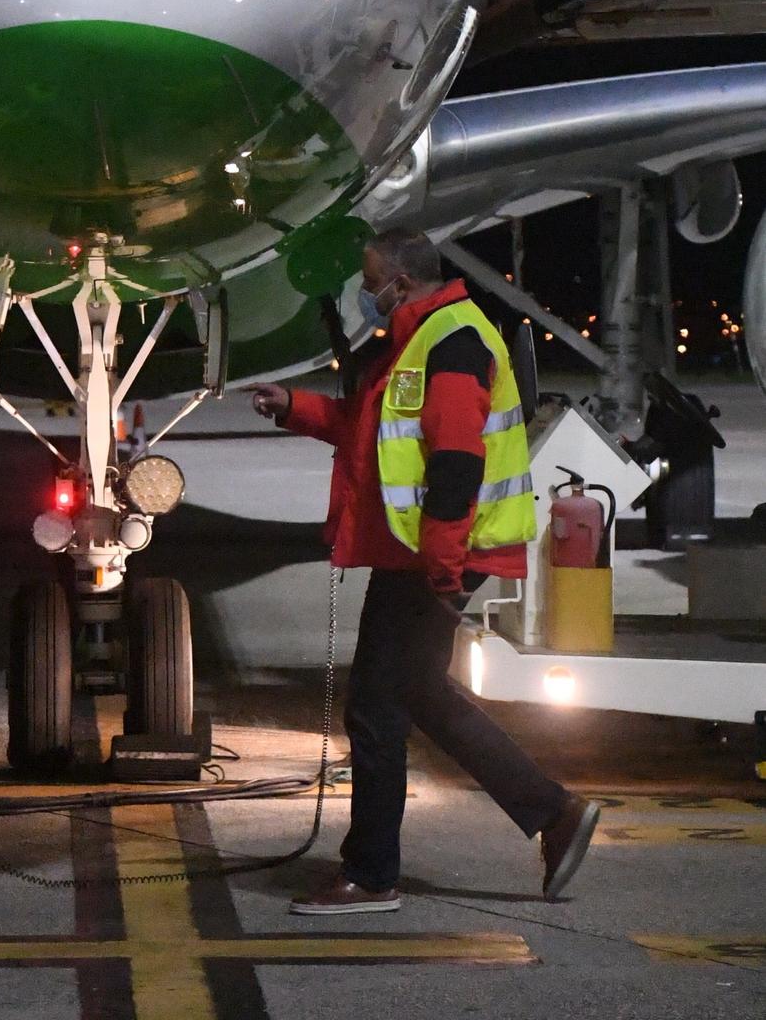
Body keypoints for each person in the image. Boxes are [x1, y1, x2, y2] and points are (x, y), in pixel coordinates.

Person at [253, 227, 599, 914]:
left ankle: (373, 875)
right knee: (418, 692)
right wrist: (296, 408)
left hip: (435, 555)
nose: (364, 292)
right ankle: (552, 811)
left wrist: (443, 568)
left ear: (400, 283)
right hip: (418, 553)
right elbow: (373, 426)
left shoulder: (452, 343)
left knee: (376, 707)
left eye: (370, 278)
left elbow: (455, 466)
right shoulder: (420, 340)